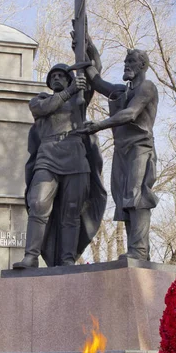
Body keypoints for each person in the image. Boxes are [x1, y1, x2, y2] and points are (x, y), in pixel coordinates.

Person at [13, 43, 106, 269]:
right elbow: (44, 110)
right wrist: (70, 91)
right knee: (37, 204)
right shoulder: (40, 100)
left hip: (75, 156)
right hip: (47, 156)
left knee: (71, 213)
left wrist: (88, 45)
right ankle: (31, 256)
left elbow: (96, 69)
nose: (56, 78)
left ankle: (66, 259)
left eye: (61, 75)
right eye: (53, 75)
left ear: (69, 78)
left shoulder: (79, 98)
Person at [79, 48, 159, 261]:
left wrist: (98, 125)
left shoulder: (147, 87)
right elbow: (96, 82)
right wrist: (87, 45)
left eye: (130, 61)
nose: (126, 65)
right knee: (124, 200)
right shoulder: (121, 91)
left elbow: (130, 113)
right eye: (125, 61)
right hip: (121, 150)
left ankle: (139, 250)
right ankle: (137, 249)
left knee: (137, 196)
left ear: (142, 65)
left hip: (140, 148)